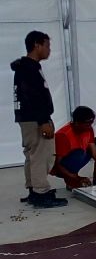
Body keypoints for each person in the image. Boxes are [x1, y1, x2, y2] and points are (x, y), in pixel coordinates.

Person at [12, 31, 67, 208]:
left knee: (32, 154)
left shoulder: (26, 67)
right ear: (37, 45)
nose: (49, 50)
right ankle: (40, 192)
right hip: (35, 119)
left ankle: (33, 189)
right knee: (41, 155)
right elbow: (33, 96)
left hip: (28, 118)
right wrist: (43, 120)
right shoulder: (29, 69)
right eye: (47, 45)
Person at [51, 106, 96, 189]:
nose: (90, 126)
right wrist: (76, 178)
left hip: (79, 156)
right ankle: (71, 181)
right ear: (77, 123)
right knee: (78, 153)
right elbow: (57, 165)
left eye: (91, 122)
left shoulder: (88, 129)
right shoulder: (63, 136)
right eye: (87, 123)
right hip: (62, 167)